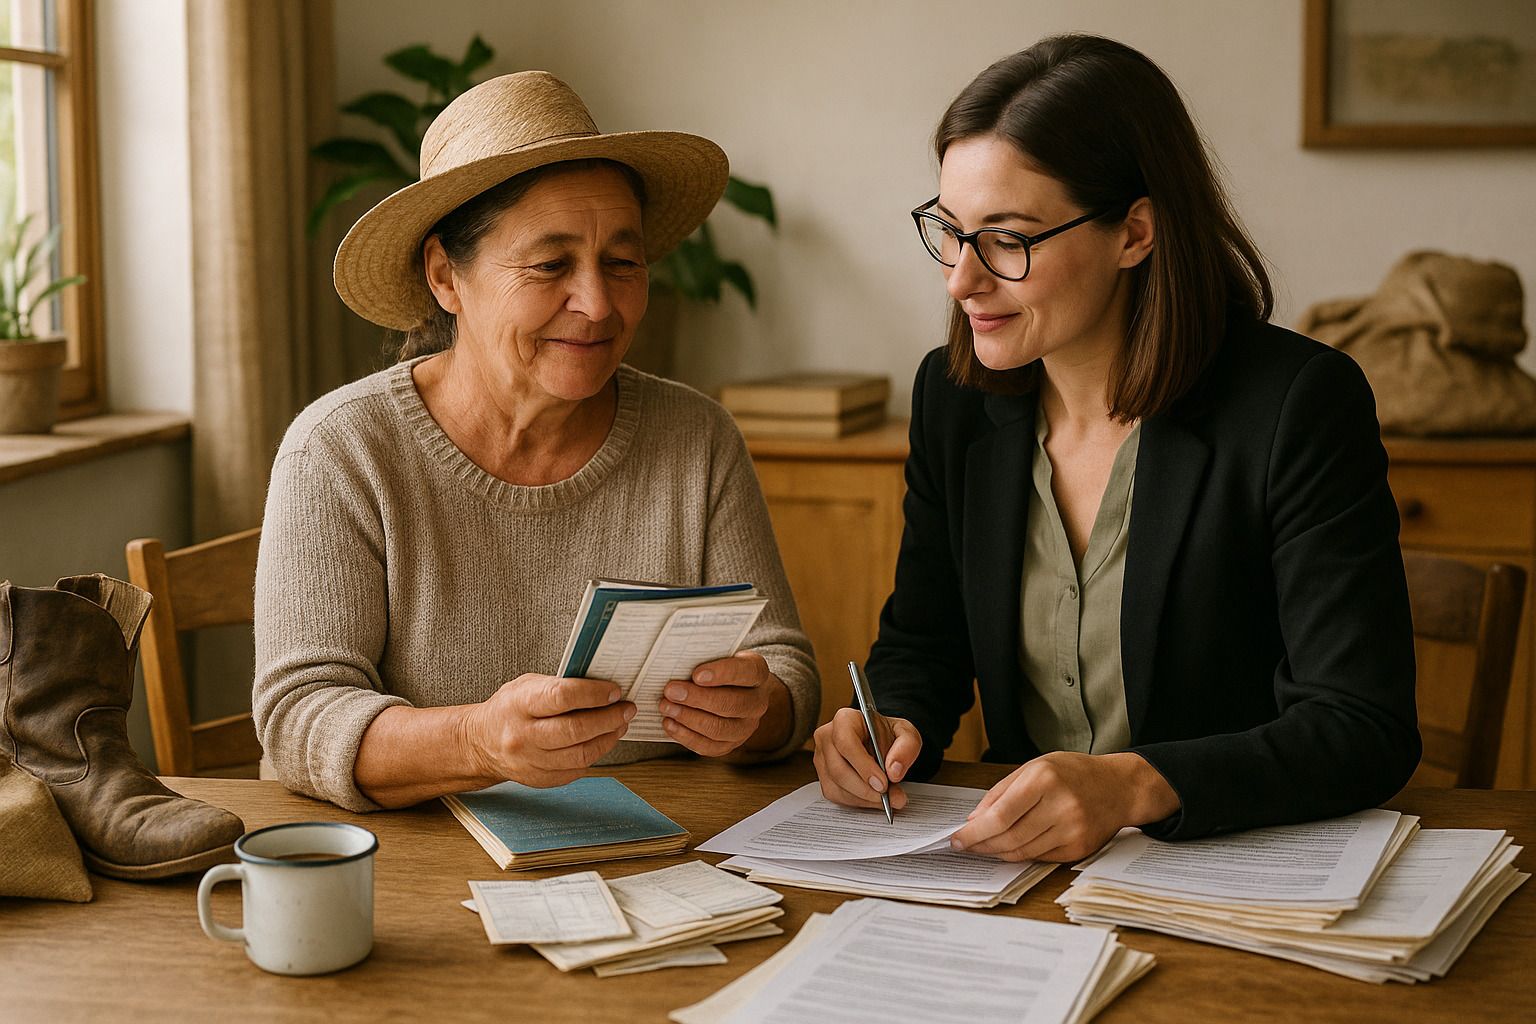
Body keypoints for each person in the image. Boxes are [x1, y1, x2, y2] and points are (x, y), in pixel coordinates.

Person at [812, 35, 1419, 861]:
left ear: (1135, 233)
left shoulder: (1297, 405)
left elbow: (1361, 725)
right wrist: (889, 720)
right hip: (1016, 874)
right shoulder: (952, 399)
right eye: (950, 231)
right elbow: (926, 642)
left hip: (1221, 869)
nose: (961, 279)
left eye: (1007, 239)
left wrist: (1135, 784)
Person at [254, 71, 817, 813]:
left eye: (623, 262)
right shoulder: (341, 451)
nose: (597, 303)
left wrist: (757, 710)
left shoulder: (695, 438)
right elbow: (300, 717)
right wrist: (477, 742)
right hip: (412, 869)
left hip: (667, 853)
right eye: (551, 265)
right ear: (444, 277)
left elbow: (788, 673)